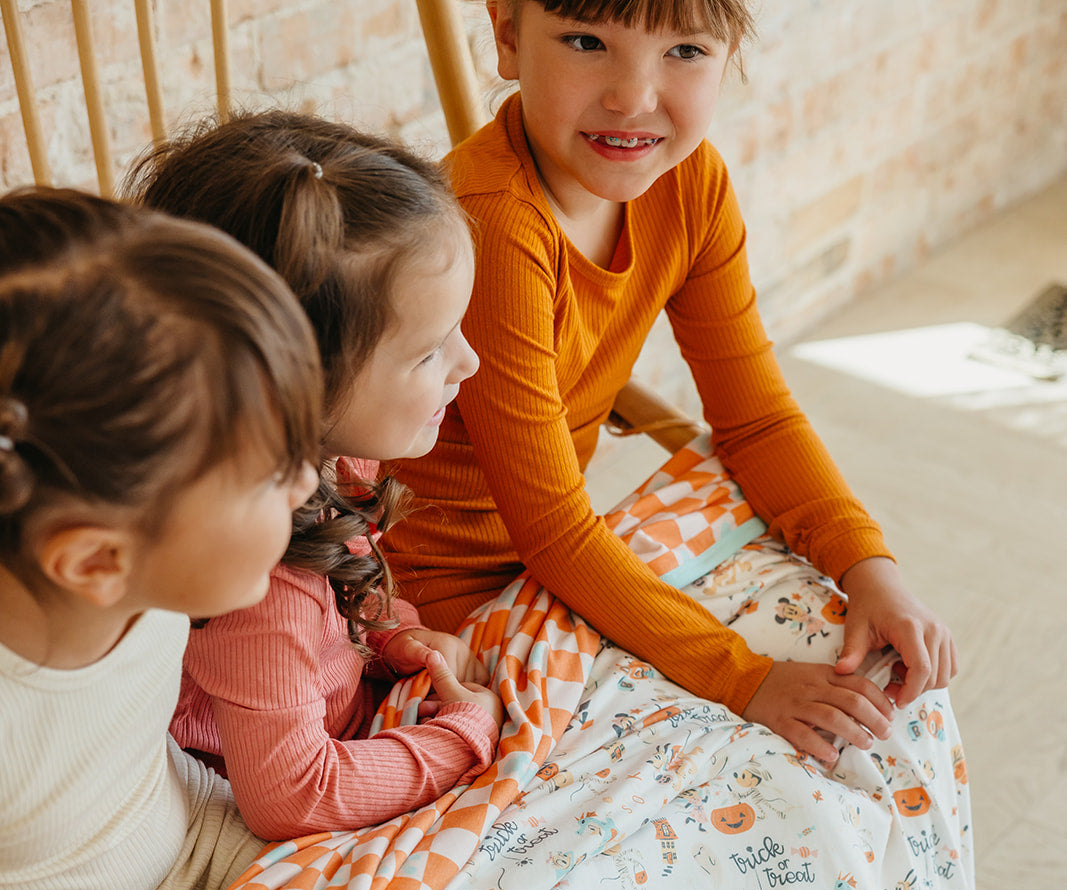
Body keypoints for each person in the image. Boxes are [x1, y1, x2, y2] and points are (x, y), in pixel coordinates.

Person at [387, 0, 959, 766]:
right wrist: (744, 681)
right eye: (586, 41)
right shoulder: (493, 223)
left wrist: (867, 568)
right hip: (442, 599)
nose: (633, 97)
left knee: (884, 689)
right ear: (507, 38)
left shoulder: (689, 181)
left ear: (727, 59)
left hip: (560, 563)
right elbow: (555, 533)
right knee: (746, 764)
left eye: (684, 51)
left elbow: (755, 418)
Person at [0, 187, 323, 890]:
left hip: (198, 829)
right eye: (270, 475)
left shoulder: (131, 561)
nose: (307, 482)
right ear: (98, 560)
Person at [123, 111, 504, 845]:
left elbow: (346, 582)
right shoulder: (257, 591)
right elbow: (292, 799)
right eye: (427, 352)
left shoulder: (333, 452)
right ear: (297, 384)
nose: (468, 363)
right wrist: (463, 736)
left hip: (338, 718)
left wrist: (396, 636)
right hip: (242, 810)